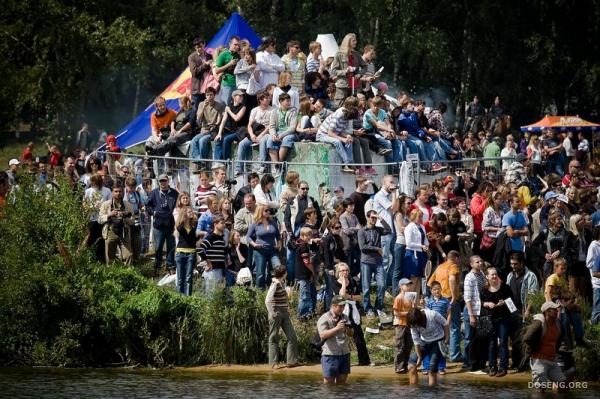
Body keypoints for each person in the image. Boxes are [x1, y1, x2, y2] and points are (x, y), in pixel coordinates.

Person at [506, 252, 539, 370]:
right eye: (511, 264)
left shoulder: (530, 276)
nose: (513, 266)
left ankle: (523, 364)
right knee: (514, 338)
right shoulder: (510, 276)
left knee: (524, 339)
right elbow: (507, 294)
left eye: (515, 264)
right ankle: (515, 363)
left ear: (521, 263)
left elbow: (532, 295)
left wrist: (528, 311)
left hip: (525, 310)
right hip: (512, 311)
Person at [333, 262, 370, 366]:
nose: (345, 272)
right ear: (338, 272)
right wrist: (344, 283)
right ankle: (339, 360)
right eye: (343, 270)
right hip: (341, 312)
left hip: (353, 311)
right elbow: (341, 295)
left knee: (359, 336)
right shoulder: (335, 283)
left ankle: (364, 361)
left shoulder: (353, 281)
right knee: (340, 336)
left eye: (346, 270)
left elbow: (359, 297)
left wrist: (349, 297)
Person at [427, 250, 461, 363]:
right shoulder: (453, 266)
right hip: (449, 299)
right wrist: (453, 296)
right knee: (454, 327)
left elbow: (429, 283)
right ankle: (454, 355)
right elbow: (451, 279)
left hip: (439, 299)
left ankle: (438, 354)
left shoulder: (440, 266)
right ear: (456, 258)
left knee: (440, 327)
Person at [523, 301, 566, 391]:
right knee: (540, 388)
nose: (556, 311)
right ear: (547, 312)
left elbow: (559, 339)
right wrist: (536, 347)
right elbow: (527, 338)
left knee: (563, 385)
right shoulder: (539, 323)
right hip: (539, 360)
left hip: (552, 360)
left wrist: (554, 351)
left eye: (556, 309)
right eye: (553, 309)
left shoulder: (557, 324)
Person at [480, 267, 514, 377]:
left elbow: (512, 303)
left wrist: (504, 302)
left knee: (503, 342)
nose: (494, 276)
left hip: (503, 318)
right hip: (490, 319)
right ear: (487, 276)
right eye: (492, 275)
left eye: (495, 274)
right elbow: (480, 302)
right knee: (491, 343)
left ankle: (503, 367)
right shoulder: (484, 289)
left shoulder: (505, 288)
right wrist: (486, 304)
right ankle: (492, 366)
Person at [358, 210, 391, 317]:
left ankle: (379, 306)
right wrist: (377, 249)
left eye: (375, 218)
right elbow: (362, 247)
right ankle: (367, 309)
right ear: (367, 218)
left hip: (378, 262)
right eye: (372, 217)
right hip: (366, 262)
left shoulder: (378, 229)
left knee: (382, 285)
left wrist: (381, 218)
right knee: (366, 287)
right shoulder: (362, 231)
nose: (373, 219)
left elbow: (388, 229)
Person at [265, 265, 299, 367]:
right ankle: (273, 363)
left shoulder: (281, 283)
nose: (287, 274)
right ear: (283, 274)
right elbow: (267, 300)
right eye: (286, 272)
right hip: (277, 313)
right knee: (274, 337)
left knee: (292, 336)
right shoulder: (275, 284)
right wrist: (272, 312)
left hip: (284, 313)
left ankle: (291, 361)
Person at [407, 307, 449, 386]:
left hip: (438, 341)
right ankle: (414, 391)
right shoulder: (413, 325)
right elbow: (416, 341)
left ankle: (433, 392)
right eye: (413, 325)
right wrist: (419, 357)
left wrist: (446, 339)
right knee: (411, 365)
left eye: (416, 324)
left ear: (420, 319)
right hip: (424, 342)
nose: (415, 327)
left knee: (432, 369)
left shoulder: (432, 314)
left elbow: (445, 323)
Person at [145, 174, 178, 273]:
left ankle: (171, 266)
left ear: (168, 181)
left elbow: (179, 205)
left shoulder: (174, 193)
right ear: (158, 182)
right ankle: (158, 266)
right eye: (161, 181)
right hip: (158, 225)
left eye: (164, 181)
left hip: (171, 225)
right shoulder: (154, 193)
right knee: (158, 247)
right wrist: (153, 212)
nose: (163, 183)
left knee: (171, 247)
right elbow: (147, 205)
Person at [317, 295, 354, 384]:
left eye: (343, 306)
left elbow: (351, 334)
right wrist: (336, 328)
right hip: (330, 355)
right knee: (328, 383)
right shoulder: (324, 318)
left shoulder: (345, 317)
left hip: (344, 353)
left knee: (342, 381)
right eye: (340, 306)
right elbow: (322, 335)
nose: (342, 308)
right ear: (333, 306)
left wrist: (348, 329)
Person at [235, 90, 273, 175]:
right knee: (242, 144)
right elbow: (249, 125)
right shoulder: (255, 110)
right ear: (260, 100)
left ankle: (263, 166)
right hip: (255, 131)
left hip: (266, 132)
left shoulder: (273, 110)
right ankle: (239, 168)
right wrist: (252, 135)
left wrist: (261, 135)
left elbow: (271, 125)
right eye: (265, 99)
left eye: (268, 98)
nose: (267, 100)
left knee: (263, 141)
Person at [316, 98, 357, 174]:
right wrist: (342, 139)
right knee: (337, 141)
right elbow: (330, 133)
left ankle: (349, 164)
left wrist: (347, 136)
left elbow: (340, 131)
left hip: (333, 134)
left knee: (349, 141)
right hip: (322, 135)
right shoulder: (338, 116)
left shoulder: (346, 117)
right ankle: (346, 164)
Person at [98, 183, 134, 264]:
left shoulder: (127, 205)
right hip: (110, 231)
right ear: (112, 192)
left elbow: (132, 221)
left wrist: (125, 216)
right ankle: (111, 273)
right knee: (110, 257)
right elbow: (99, 220)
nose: (118, 193)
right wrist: (109, 215)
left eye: (120, 191)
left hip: (124, 232)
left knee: (128, 255)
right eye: (116, 191)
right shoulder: (106, 204)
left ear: (123, 192)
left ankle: (128, 274)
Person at [246, 205, 281, 290]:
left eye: (268, 210)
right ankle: (260, 292)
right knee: (260, 273)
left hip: (272, 250)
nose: (268, 212)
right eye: (266, 210)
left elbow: (278, 236)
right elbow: (248, 237)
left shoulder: (273, 222)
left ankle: (274, 289)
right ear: (260, 212)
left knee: (278, 267)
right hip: (260, 250)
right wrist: (254, 244)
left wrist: (279, 244)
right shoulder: (255, 224)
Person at [190, 87, 225, 168]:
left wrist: (212, 128)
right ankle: (199, 160)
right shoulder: (201, 104)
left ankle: (202, 162)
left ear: (214, 95)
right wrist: (203, 107)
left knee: (202, 140)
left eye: (211, 95)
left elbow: (220, 121)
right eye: (207, 95)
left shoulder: (220, 106)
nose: (209, 97)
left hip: (213, 130)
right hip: (204, 129)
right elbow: (198, 119)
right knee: (194, 140)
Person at [463, 255, 487, 372]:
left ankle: (480, 363)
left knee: (480, 338)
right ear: (472, 264)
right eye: (477, 262)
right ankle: (471, 364)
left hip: (481, 310)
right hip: (472, 311)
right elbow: (467, 298)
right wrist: (471, 315)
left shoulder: (482, 274)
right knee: (472, 338)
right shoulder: (469, 277)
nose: (480, 263)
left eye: (481, 261)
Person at [373, 175, 397, 288]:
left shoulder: (390, 195)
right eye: (391, 182)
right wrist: (394, 193)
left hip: (391, 231)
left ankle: (387, 283)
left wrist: (394, 194)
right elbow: (392, 208)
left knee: (394, 258)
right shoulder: (380, 195)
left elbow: (396, 208)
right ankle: (381, 285)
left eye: (394, 182)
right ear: (384, 183)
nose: (393, 184)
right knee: (385, 259)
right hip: (383, 231)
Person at [423, 281, 451, 374]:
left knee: (441, 346)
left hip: (442, 326)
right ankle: (426, 367)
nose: (437, 291)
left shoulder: (445, 300)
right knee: (428, 346)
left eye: (438, 289)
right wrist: (422, 303)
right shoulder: (429, 301)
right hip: (432, 327)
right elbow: (426, 313)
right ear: (431, 291)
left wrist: (447, 322)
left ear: (441, 289)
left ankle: (441, 367)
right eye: (434, 289)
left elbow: (449, 312)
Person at [331, 33, 366, 107]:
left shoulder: (356, 55)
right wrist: (345, 71)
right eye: (354, 41)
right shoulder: (339, 55)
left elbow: (365, 66)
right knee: (340, 107)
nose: (356, 42)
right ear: (348, 41)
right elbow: (333, 71)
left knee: (352, 108)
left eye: (355, 40)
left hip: (354, 86)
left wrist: (360, 74)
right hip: (343, 86)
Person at [267, 93, 298, 175]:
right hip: (277, 132)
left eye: (289, 101)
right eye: (287, 101)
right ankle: (276, 165)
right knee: (270, 140)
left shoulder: (293, 111)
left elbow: (292, 128)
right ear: (281, 101)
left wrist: (281, 135)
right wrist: (274, 135)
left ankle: (280, 164)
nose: (289, 103)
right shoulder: (274, 112)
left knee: (286, 139)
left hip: (288, 133)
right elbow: (272, 126)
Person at [198, 215, 228, 294]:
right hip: (212, 270)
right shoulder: (211, 237)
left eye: (224, 223)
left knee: (218, 294)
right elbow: (200, 249)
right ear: (215, 224)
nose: (224, 225)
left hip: (220, 269)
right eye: (222, 223)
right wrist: (207, 261)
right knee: (211, 295)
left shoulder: (221, 238)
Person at [214, 90, 246, 161]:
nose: (241, 97)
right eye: (239, 96)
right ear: (234, 97)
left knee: (226, 139)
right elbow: (223, 121)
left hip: (239, 131)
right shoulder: (229, 107)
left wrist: (229, 111)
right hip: (230, 130)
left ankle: (226, 161)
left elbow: (236, 118)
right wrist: (219, 133)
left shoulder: (243, 107)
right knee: (219, 139)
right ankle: (218, 162)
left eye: (242, 96)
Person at [403, 209, 429, 297]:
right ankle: (408, 301)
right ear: (413, 217)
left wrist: (426, 245)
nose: (421, 218)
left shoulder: (422, 226)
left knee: (419, 278)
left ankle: (416, 303)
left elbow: (425, 239)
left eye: (422, 216)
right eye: (419, 217)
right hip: (412, 253)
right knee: (413, 278)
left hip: (421, 254)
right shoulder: (409, 227)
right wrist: (421, 246)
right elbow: (408, 243)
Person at [175, 206, 199, 296]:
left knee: (189, 278)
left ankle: (188, 298)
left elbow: (194, 239)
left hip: (191, 253)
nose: (192, 213)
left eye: (191, 211)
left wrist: (199, 235)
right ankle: (180, 298)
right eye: (189, 212)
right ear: (184, 214)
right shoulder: (180, 226)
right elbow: (187, 236)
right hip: (180, 252)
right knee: (180, 278)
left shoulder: (194, 225)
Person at [393, 278, 415, 373]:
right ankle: (399, 366)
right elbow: (396, 313)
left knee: (408, 345)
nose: (409, 287)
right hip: (400, 324)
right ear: (401, 286)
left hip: (409, 324)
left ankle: (405, 365)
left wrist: (414, 307)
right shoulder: (398, 298)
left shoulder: (410, 297)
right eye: (407, 285)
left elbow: (412, 310)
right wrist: (408, 313)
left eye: (410, 285)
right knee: (400, 345)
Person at [214, 36, 241, 105]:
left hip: (238, 85)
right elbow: (216, 70)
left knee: (236, 106)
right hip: (227, 84)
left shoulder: (239, 56)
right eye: (235, 44)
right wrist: (229, 64)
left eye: (238, 45)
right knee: (225, 106)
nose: (237, 47)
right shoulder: (223, 54)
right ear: (230, 44)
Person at [188, 37, 212, 115]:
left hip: (208, 89)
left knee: (208, 110)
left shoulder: (209, 56)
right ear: (195, 47)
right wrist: (205, 65)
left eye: (201, 46)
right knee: (195, 111)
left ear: (204, 45)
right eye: (197, 47)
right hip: (197, 89)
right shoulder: (191, 57)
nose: (199, 49)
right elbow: (194, 72)